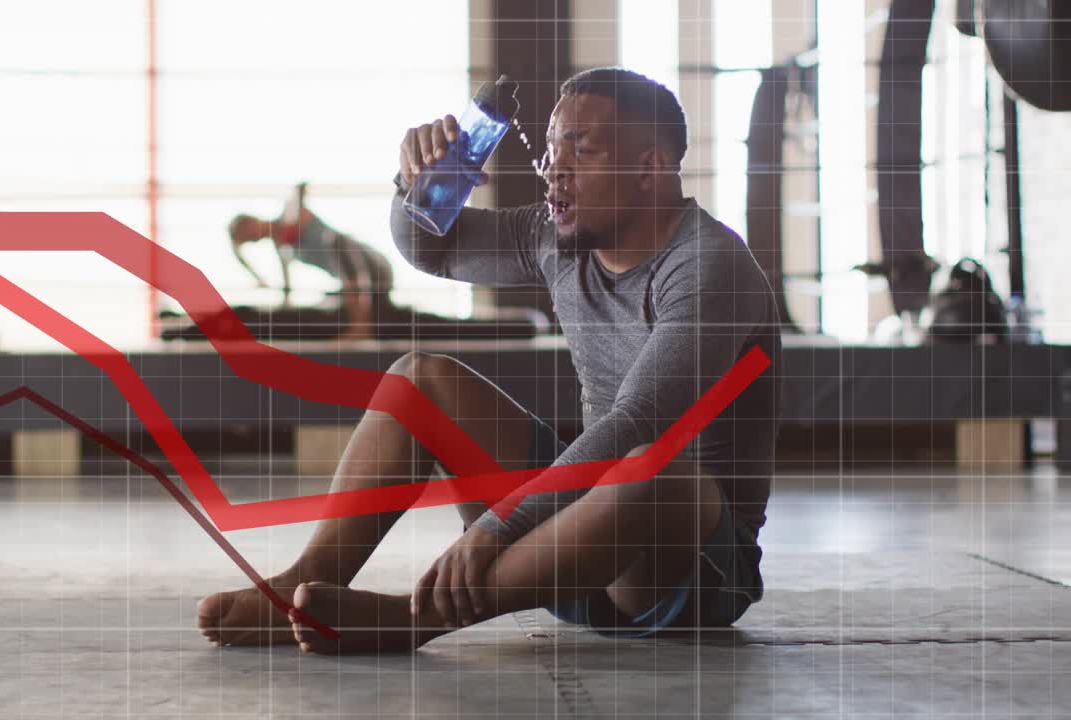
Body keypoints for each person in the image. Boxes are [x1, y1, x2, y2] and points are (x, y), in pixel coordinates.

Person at [198, 67, 782, 653]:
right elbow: (429, 247)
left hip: (679, 574)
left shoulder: (709, 267)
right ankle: (301, 582)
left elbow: (638, 421)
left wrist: (497, 525)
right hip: (560, 546)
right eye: (552, 151)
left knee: (653, 469)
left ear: (651, 167)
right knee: (419, 379)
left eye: (581, 151)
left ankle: (413, 617)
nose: (555, 170)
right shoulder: (555, 239)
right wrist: (427, 180)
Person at [227, 182, 393, 340]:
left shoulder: (289, 213)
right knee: (326, 303)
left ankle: (361, 329)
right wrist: (259, 280)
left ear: (252, 221)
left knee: (335, 242)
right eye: (248, 239)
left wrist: (293, 219)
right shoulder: (282, 249)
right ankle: (356, 326)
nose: (254, 238)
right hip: (363, 290)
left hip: (373, 269)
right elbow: (287, 287)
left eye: (248, 232)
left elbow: (300, 187)